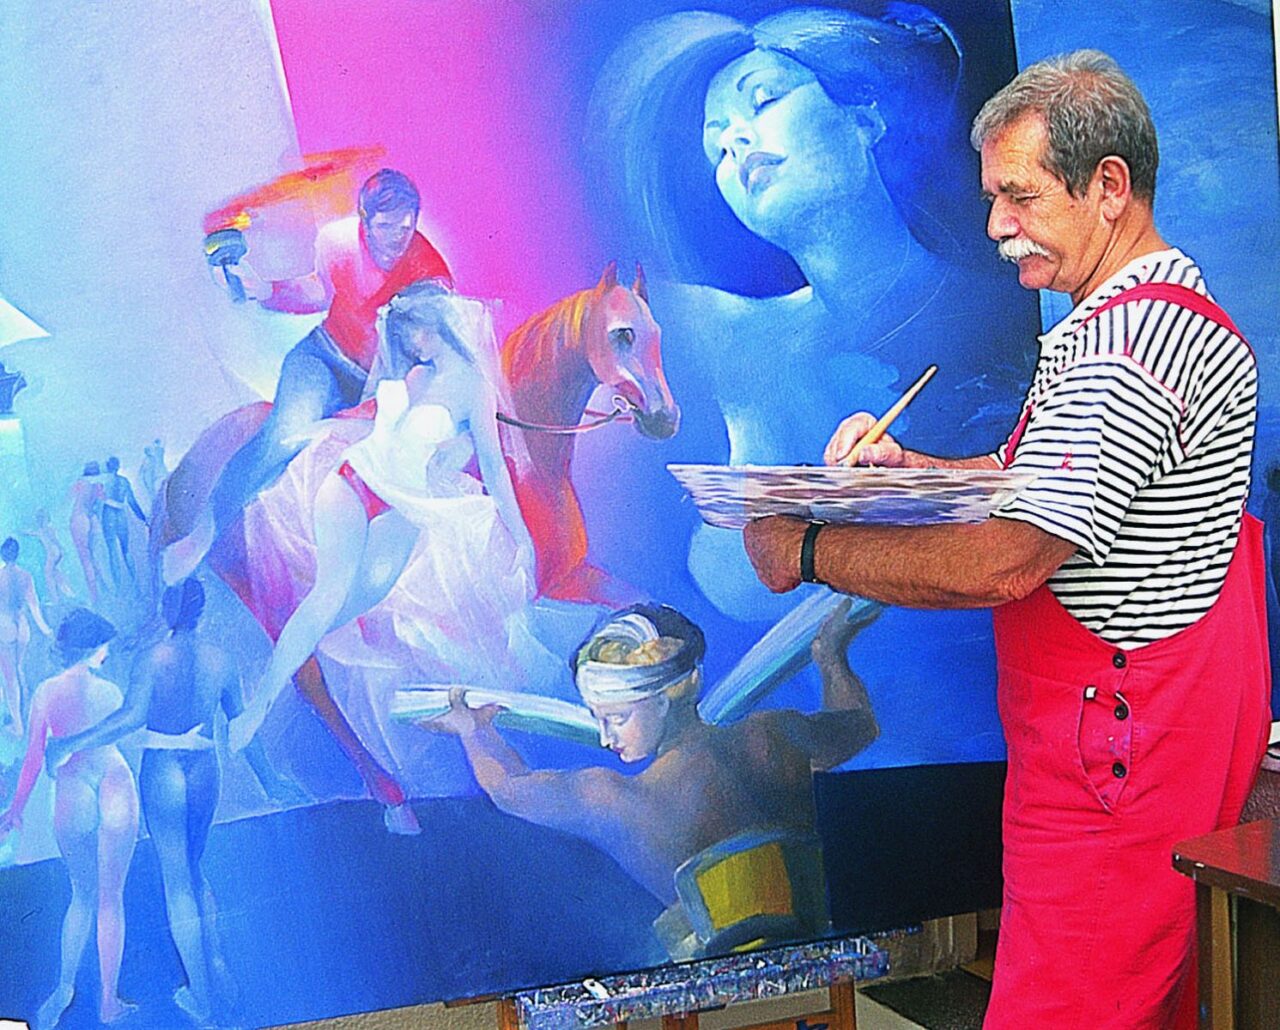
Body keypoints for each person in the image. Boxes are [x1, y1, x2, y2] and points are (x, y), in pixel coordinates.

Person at [742, 50, 1268, 1028]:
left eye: (1018, 196)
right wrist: (907, 473)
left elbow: (1007, 558)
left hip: (1113, 782)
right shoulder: (1127, 323)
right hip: (1115, 765)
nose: (994, 225)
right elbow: (1025, 483)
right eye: (992, 197)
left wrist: (807, 550)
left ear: (1107, 187)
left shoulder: (1127, 351)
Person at [586, 3, 1037, 624]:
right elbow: (734, 588)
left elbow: (1018, 545)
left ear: (864, 118)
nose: (736, 142)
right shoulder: (737, 340)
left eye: (764, 100)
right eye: (717, 147)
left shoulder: (1002, 310)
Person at [427, 599, 879, 960]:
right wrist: (831, 657)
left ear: (664, 699)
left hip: (713, 983)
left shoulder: (617, 799)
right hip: (819, 950)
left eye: (617, 718)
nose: (605, 738)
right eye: (599, 719)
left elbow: (508, 789)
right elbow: (859, 725)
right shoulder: (774, 734)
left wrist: (473, 731)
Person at [227, 281, 538, 755]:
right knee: (328, 597)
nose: (412, 345)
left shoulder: (474, 387)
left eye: (417, 333)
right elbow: (373, 418)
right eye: (406, 336)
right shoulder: (413, 375)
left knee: (349, 607)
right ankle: (256, 710)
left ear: (440, 325)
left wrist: (521, 537)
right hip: (355, 481)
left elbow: (494, 467)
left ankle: (282, 669)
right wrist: (325, 427)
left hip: (402, 510)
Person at [165, 168, 454, 582]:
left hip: (378, 389)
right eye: (386, 227)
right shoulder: (337, 241)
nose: (396, 238)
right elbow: (320, 292)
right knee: (284, 436)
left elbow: (423, 360)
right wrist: (267, 291)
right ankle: (200, 538)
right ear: (364, 219)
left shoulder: (431, 276)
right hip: (321, 360)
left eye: (405, 228)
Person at [44, 578, 302, 1025]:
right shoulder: (221, 660)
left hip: (163, 771)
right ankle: (213, 965)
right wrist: (270, 780)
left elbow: (129, 718)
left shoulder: (152, 658)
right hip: (204, 770)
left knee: (177, 880)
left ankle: (202, 998)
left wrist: (70, 743)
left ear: (166, 612)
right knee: (195, 870)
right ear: (201, 612)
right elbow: (240, 728)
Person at [0, 609, 206, 1030]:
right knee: (112, 898)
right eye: (104, 647)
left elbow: (35, 757)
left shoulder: (45, 693)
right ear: (94, 649)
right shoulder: (109, 691)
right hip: (114, 781)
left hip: (73, 786)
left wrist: (16, 809)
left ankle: (63, 990)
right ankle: (108, 1001)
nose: (107, 653)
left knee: (82, 895)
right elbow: (127, 736)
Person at [0, 536, 52, 736]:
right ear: (17, 554)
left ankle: (18, 725)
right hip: (23, 628)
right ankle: (27, 715)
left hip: (4, 628)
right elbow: (34, 607)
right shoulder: (26, 577)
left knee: (10, 678)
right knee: (19, 670)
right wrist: (46, 630)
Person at [100, 455, 147, 592]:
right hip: (121, 516)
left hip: (108, 516)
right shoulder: (124, 482)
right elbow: (132, 502)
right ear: (118, 467)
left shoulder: (103, 482)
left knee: (112, 552)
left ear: (108, 466)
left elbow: (97, 504)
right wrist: (143, 518)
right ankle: (136, 586)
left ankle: (118, 588)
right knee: (126, 551)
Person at [67, 461, 105, 604]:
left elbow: (70, 496)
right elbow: (102, 501)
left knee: (85, 559)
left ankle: (95, 597)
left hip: (79, 519)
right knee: (93, 557)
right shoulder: (98, 486)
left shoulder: (80, 484)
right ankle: (103, 588)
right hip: (92, 520)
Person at [22, 508, 76, 603]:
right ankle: (68, 593)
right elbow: (32, 533)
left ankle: (55, 598)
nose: (39, 520)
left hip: (53, 553)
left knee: (48, 574)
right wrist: (25, 532)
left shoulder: (47, 529)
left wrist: (61, 549)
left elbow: (54, 540)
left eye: (40, 518)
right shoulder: (43, 529)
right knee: (55, 573)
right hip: (54, 552)